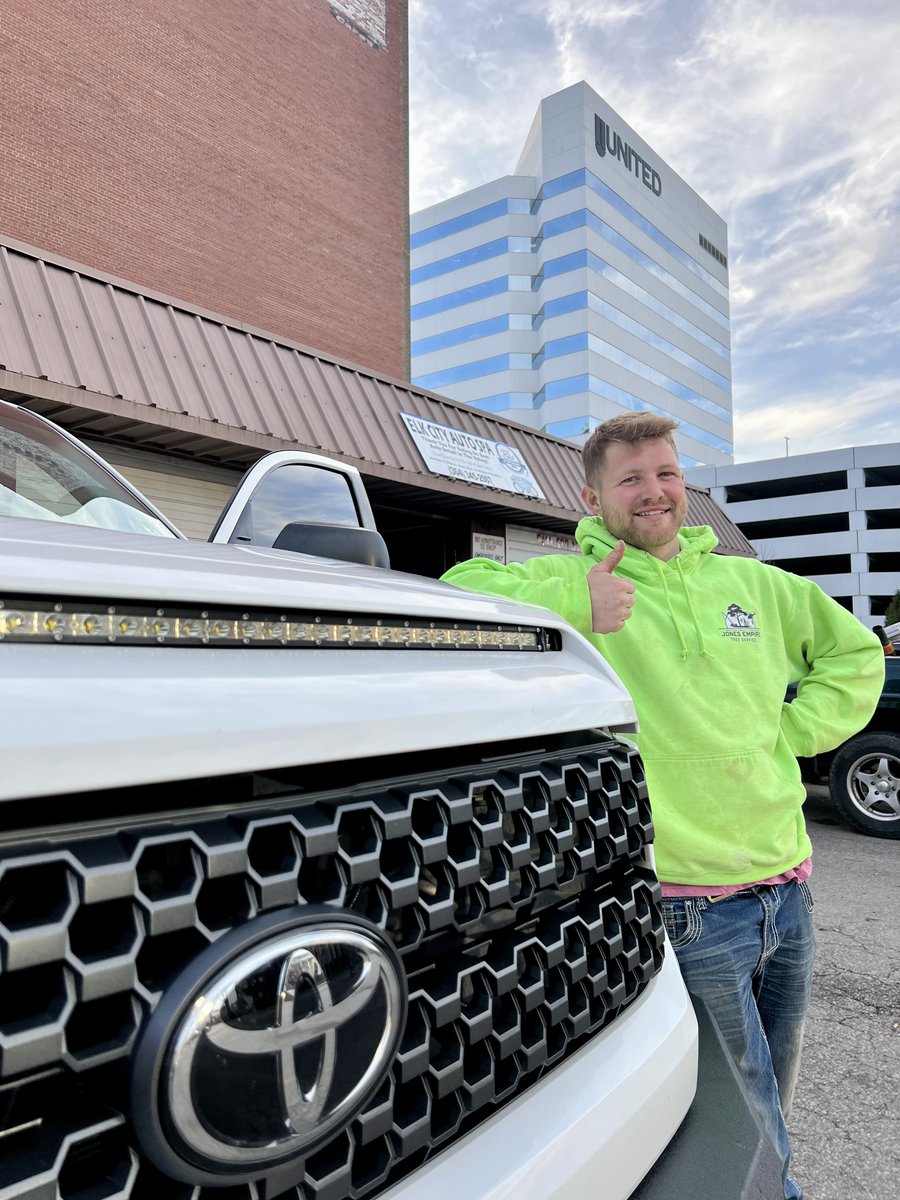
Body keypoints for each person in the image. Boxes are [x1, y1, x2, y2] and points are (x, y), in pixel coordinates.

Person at [442, 412, 884, 1200]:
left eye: (668, 474)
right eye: (632, 479)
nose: (655, 492)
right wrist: (579, 603)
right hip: (686, 906)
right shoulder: (569, 575)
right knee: (736, 1116)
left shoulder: (754, 584)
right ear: (593, 496)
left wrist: (792, 732)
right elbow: (458, 591)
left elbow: (853, 653)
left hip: (788, 894)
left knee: (770, 1098)